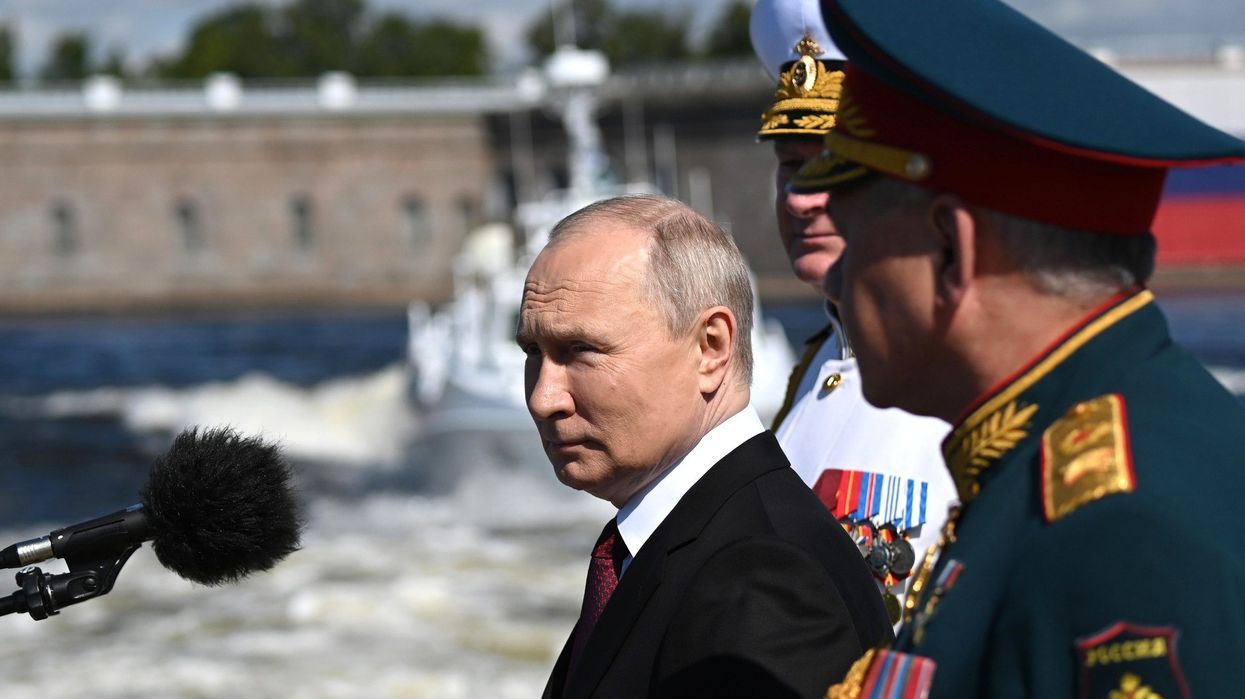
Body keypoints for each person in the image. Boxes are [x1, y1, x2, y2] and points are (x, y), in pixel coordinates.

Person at [786, 0, 1245, 696]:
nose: (839, 278)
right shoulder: (1075, 452)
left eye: (856, 242)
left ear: (950, 250)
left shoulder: (1116, 531)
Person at [519, 194, 892, 699]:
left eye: (581, 350)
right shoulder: (690, 541)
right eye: (533, 351)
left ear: (710, 347)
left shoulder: (761, 579)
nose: (543, 398)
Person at [749, 0, 956, 625]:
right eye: (791, 166)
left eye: (833, 164)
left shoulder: (963, 381)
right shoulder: (813, 368)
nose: (801, 198)